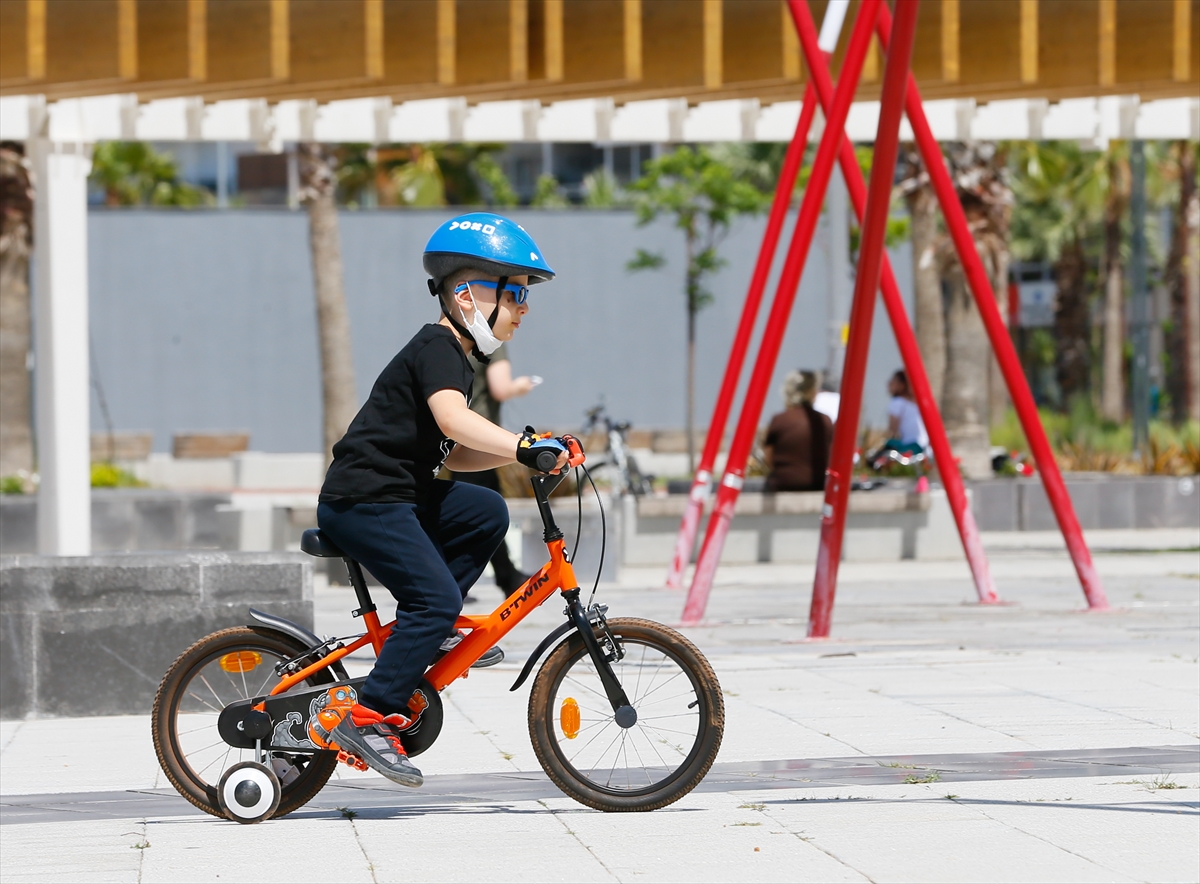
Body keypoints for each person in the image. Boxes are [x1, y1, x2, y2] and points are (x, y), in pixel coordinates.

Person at [315, 213, 571, 788]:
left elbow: (453, 453)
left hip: (400, 495)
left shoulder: (457, 356)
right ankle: (365, 715)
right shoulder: (437, 346)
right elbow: (454, 419)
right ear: (466, 294)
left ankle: (431, 626)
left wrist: (524, 452)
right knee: (430, 599)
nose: (524, 308)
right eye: (515, 294)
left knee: (485, 510)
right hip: (364, 500)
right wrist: (522, 446)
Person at [453, 342, 536, 597]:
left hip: (459, 440)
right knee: (486, 511)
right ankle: (497, 578)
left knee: (470, 512)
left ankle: (500, 576)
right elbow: (501, 388)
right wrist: (520, 386)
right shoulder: (492, 344)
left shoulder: (457, 344)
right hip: (479, 439)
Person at [763, 370, 833, 492]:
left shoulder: (779, 420)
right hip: (818, 484)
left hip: (784, 483)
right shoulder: (825, 420)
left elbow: (769, 457)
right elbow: (832, 454)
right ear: (812, 392)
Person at [885, 369, 927, 451]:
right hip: (924, 445)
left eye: (893, 381)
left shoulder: (897, 402)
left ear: (902, 385)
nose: (889, 383)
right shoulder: (917, 403)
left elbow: (892, 431)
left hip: (911, 445)